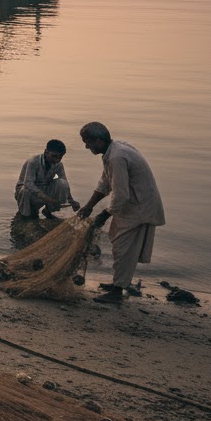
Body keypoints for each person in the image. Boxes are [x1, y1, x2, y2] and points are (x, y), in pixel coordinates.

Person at [77, 122, 165, 305]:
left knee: (125, 249)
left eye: (87, 142)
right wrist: (89, 206)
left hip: (138, 206)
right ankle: (118, 283)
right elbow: (105, 182)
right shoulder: (112, 150)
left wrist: (104, 215)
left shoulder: (116, 157)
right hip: (132, 204)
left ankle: (118, 291)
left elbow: (121, 194)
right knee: (118, 242)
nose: (86, 146)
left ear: (99, 140)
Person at [15, 139, 79, 219]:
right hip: (28, 193)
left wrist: (71, 201)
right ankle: (25, 215)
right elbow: (28, 184)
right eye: (54, 156)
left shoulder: (58, 165)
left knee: (62, 183)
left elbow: (65, 184)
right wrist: (47, 199)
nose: (57, 160)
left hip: (44, 189)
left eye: (60, 157)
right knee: (25, 190)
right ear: (46, 152)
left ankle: (48, 211)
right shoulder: (33, 162)